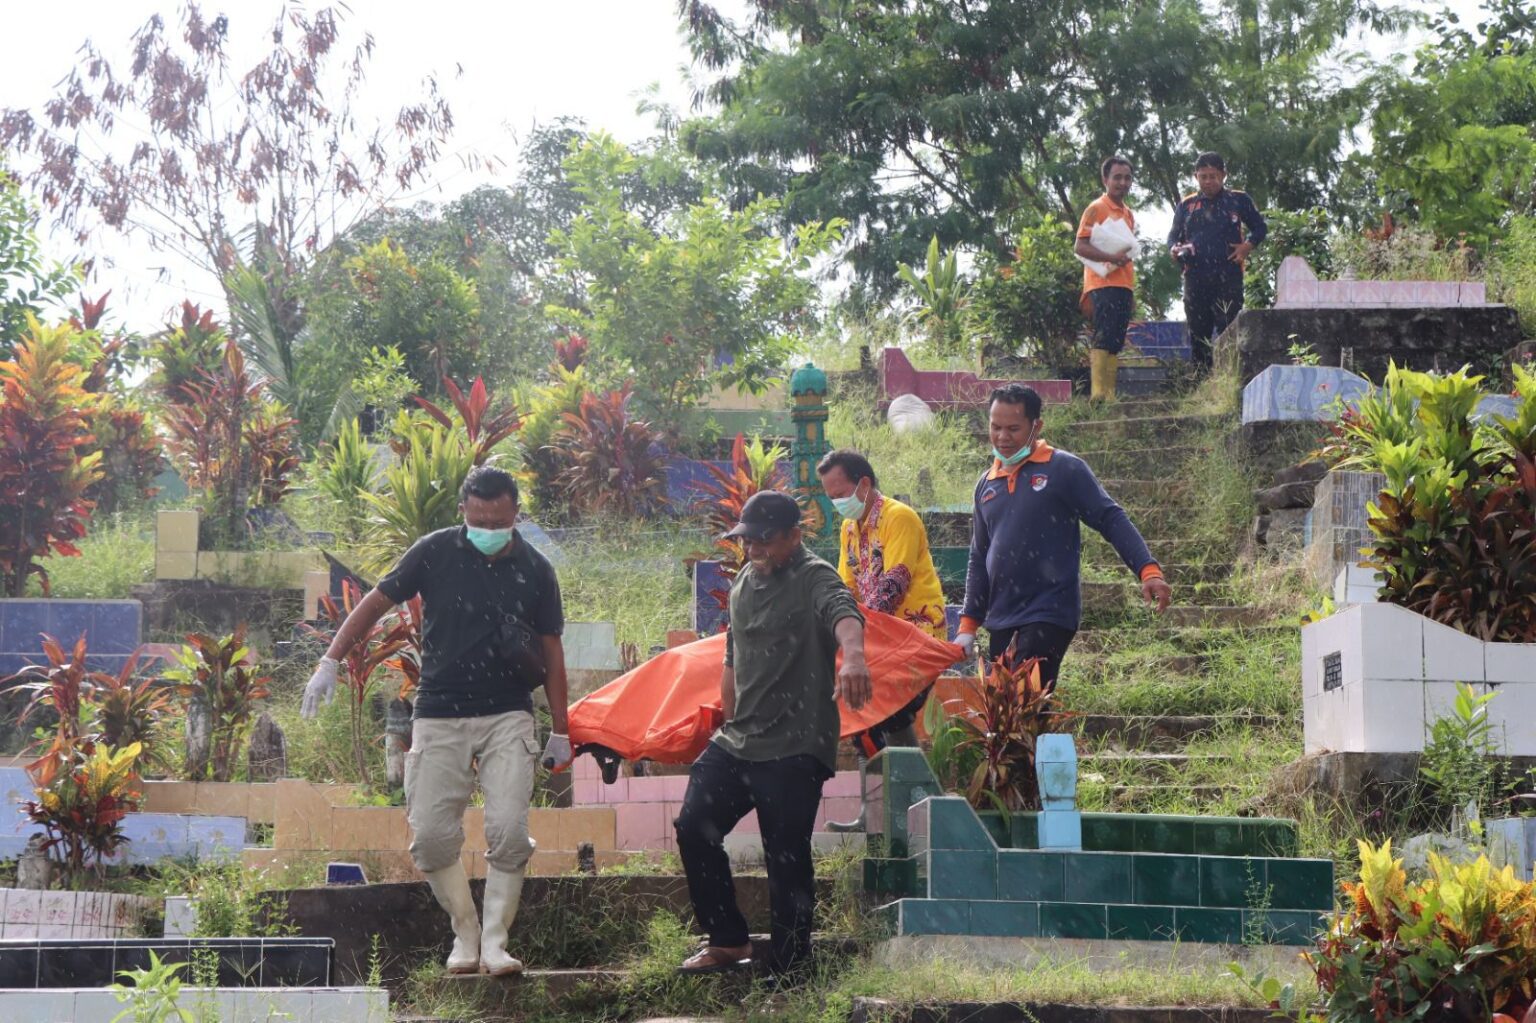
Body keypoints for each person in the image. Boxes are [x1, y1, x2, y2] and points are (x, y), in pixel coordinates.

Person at [302, 465, 570, 978]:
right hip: (440, 711)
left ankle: (495, 942)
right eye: (479, 519)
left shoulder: (537, 569)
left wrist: (561, 728)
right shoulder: (435, 551)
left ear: (516, 512)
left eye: (498, 519)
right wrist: (330, 661)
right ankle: (465, 931)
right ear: (464, 512)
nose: (489, 529)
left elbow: (554, 652)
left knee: (510, 831)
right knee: (428, 838)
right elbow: (375, 603)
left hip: (508, 712)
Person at [674, 490, 870, 980]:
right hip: (739, 739)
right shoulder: (744, 579)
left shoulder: (814, 577)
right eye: (747, 540)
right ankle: (727, 940)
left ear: (794, 537)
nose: (754, 549)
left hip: (796, 745)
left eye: (764, 541)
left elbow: (845, 613)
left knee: (785, 855)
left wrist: (856, 657)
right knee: (693, 825)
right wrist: (724, 716)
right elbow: (732, 655)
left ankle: (790, 966)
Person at [956, 384, 1172, 685]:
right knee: (1006, 716)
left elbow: (1110, 517)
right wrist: (968, 624)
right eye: (995, 427)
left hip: (1049, 610)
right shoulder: (986, 484)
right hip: (1002, 616)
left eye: (1013, 428)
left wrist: (1147, 569)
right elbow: (979, 556)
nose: (1003, 437)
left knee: (1023, 699)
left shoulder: (1063, 469)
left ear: (1036, 426)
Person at [816, 448, 945, 832]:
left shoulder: (898, 518)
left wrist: (850, 627)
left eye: (839, 493)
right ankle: (894, 810)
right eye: (830, 496)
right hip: (876, 641)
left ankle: (911, 808)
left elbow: (894, 582)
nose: (836, 502)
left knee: (881, 715)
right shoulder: (848, 529)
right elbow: (845, 589)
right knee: (867, 717)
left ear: (865, 484)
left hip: (915, 639)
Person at [1167, 151, 1268, 371]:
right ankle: (1201, 380)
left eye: (1213, 176)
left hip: (1228, 275)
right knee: (1198, 331)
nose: (1208, 181)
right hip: (1195, 277)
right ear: (1196, 177)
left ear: (1223, 175)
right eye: (1203, 176)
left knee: (1229, 327)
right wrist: (1174, 249)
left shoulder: (1238, 199)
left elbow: (1260, 228)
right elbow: (1172, 237)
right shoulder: (1187, 205)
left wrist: (1246, 247)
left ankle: (1229, 378)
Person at [1075, 156, 1138, 402]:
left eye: (1127, 178)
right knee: (1104, 334)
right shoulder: (1096, 208)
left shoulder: (1128, 213)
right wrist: (1109, 256)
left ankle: (1109, 394)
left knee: (1116, 338)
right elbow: (1080, 246)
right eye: (1117, 177)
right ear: (1105, 179)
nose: (1122, 182)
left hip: (1123, 283)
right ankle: (1097, 394)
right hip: (1102, 282)